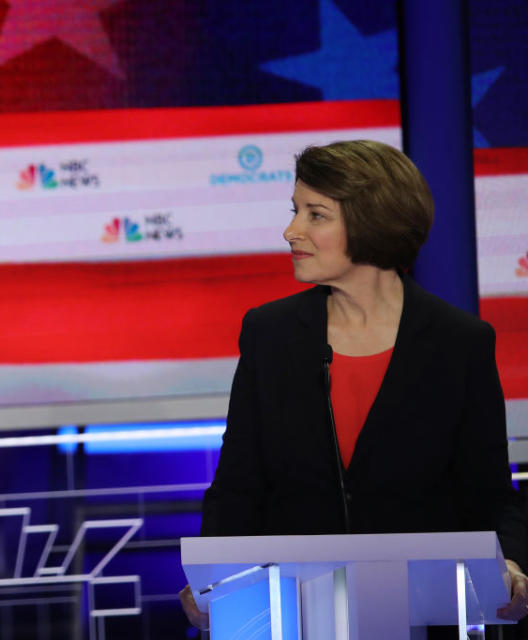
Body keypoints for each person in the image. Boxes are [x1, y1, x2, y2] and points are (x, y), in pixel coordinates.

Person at [181, 140, 528, 629]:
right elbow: (238, 485)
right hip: (294, 617)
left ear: (373, 222)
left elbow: (490, 493)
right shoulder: (270, 333)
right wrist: (211, 583)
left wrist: (511, 565)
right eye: (295, 211)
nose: (291, 230)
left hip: (423, 617)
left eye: (315, 215)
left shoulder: (460, 342)